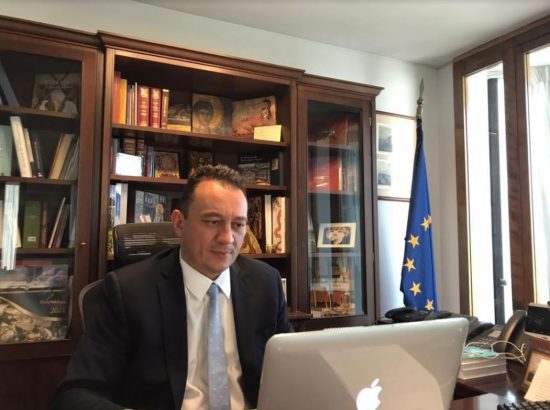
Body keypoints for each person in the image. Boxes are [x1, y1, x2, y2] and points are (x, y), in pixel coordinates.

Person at [53, 164, 293, 410]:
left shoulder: (265, 284)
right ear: (179, 223)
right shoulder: (128, 292)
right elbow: (74, 394)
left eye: (238, 225)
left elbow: (293, 371)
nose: (227, 238)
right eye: (213, 221)